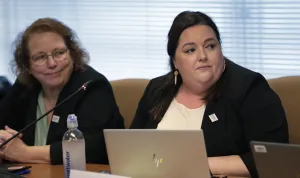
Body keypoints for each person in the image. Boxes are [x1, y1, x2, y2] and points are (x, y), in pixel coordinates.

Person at [130, 11, 288, 178]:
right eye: (190, 50)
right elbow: (131, 148)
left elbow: (273, 158)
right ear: (175, 62)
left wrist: (196, 165)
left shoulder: (250, 88)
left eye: (210, 46)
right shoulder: (157, 89)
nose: (203, 56)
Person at [0, 18, 124, 165]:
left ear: (72, 54)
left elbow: (92, 148)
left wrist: (24, 153)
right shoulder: (25, 87)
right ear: (28, 65)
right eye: (40, 57)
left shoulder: (92, 85)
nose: (52, 64)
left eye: (59, 53)